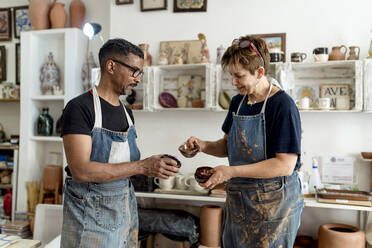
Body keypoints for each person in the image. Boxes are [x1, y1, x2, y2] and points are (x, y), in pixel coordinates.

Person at [185, 35, 303, 248]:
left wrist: (230, 172)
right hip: (240, 199)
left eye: (239, 76)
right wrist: (201, 146)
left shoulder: (282, 105)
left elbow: (285, 165)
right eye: (231, 75)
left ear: (259, 72)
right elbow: (228, 146)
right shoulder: (238, 102)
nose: (233, 82)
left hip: (274, 205)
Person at [60, 38, 179, 248]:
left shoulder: (127, 114)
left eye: (140, 73)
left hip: (125, 209)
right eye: (134, 71)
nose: (138, 79)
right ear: (111, 66)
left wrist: (154, 165)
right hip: (90, 216)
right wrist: (142, 166)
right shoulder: (80, 107)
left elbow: (123, 165)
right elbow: (81, 170)